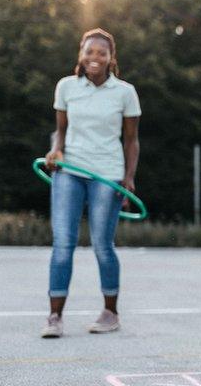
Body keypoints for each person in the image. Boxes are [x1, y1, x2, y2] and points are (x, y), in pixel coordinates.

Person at [41, 28, 141, 339]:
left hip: (107, 174)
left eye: (101, 52)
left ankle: (110, 312)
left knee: (102, 245)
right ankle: (54, 317)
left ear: (112, 58)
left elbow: (132, 141)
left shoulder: (125, 92)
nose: (94, 57)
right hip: (69, 171)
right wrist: (55, 150)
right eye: (89, 51)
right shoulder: (66, 87)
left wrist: (128, 179)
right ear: (80, 55)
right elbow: (60, 130)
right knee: (62, 245)